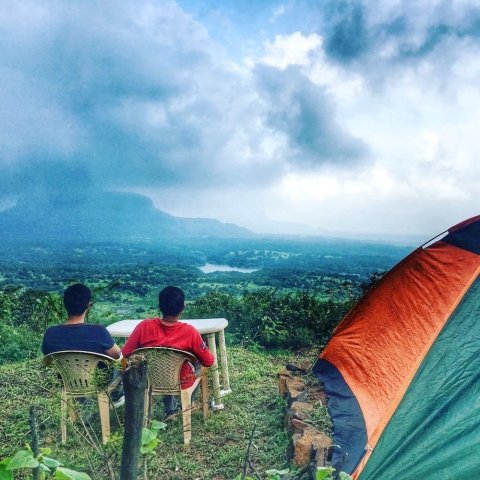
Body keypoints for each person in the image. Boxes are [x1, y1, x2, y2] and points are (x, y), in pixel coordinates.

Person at [122, 286, 214, 419]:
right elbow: (209, 361)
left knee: (162, 367)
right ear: (182, 308)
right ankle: (188, 403)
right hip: (182, 381)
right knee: (198, 362)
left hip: (151, 378)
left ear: (160, 307)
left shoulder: (145, 326)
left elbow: (126, 352)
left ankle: (170, 410)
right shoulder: (190, 332)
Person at [42, 283, 124, 407]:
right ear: (88, 305)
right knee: (124, 362)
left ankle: (80, 404)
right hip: (97, 383)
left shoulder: (51, 333)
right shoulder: (98, 331)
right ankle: (115, 396)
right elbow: (117, 355)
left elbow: (47, 357)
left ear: (66, 306)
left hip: (65, 383)